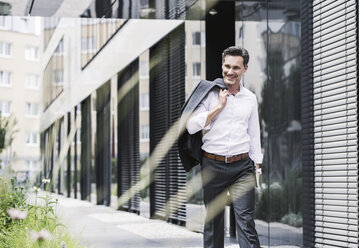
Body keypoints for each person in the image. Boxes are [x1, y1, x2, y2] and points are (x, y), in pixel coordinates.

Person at [182, 46, 262, 248]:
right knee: (213, 223)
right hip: (213, 165)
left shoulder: (250, 99)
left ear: (244, 69)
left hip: (242, 166)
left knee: (246, 222)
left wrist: (257, 166)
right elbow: (191, 126)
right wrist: (218, 107)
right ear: (222, 66)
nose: (230, 71)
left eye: (236, 67)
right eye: (227, 66)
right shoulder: (209, 94)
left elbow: (254, 134)